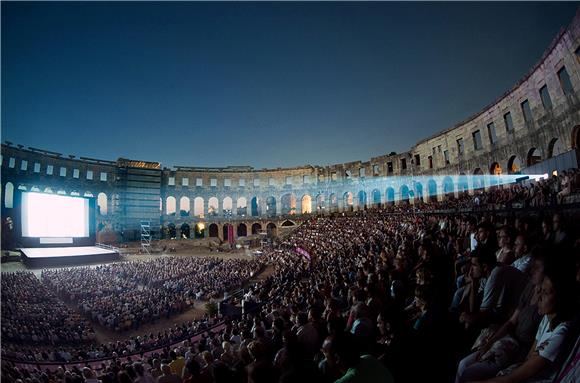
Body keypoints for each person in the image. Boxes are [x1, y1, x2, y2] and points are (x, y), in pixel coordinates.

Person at [470, 258, 578, 383]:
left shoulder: (561, 332)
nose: (539, 296)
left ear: (561, 298)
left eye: (545, 292)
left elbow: (514, 378)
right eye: (540, 290)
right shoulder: (546, 319)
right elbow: (529, 357)